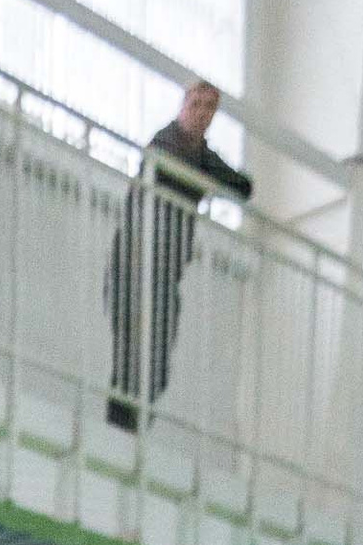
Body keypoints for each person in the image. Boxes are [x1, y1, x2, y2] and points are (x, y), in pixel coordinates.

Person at [106, 79, 253, 430]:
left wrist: (207, 177)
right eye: (196, 104)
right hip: (134, 261)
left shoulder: (202, 155)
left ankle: (136, 425)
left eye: (209, 108)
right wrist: (205, 180)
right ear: (183, 104)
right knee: (132, 348)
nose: (201, 114)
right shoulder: (165, 141)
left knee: (158, 358)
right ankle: (120, 426)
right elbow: (170, 168)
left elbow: (243, 187)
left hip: (166, 268)